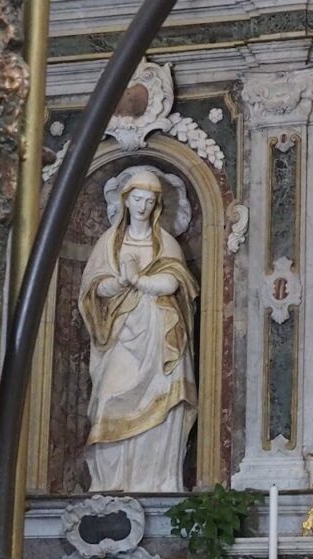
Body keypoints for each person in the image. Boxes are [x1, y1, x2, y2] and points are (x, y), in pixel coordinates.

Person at [79, 169, 199, 491]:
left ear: (157, 205)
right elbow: (93, 288)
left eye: (149, 200)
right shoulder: (109, 243)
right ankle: (110, 483)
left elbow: (176, 282)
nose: (143, 206)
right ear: (126, 201)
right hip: (120, 336)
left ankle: (158, 480)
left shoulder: (166, 244)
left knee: (163, 402)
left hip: (160, 335)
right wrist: (120, 281)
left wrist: (140, 281)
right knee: (109, 398)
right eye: (137, 199)